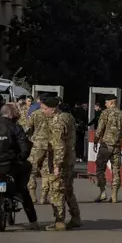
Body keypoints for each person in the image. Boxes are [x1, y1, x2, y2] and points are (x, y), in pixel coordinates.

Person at [44, 98, 82, 231]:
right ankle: (76, 217)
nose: (44, 112)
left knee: (57, 190)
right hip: (70, 159)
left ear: (53, 109)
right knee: (68, 190)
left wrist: (56, 165)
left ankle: (59, 221)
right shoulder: (68, 117)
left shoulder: (57, 121)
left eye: (45, 109)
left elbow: (59, 145)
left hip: (62, 161)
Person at [93, 94, 122, 203]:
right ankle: (114, 195)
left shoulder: (105, 113)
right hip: (117, 146)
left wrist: (96, 141)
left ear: (110, 102)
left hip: (105, 145)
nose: (105, 105)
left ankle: (103, 191)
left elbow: (99, 129)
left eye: (105, 102)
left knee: (100, 168)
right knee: (116, 170)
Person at [26, 100, 51, 204]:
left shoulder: (35, 114)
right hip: (49, 145)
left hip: (37, 145)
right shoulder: (52, 115)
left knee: (32, 170)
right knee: (46, 172)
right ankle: (43, 197)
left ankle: (32, 196)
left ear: (41, 104)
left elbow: (28, 128)